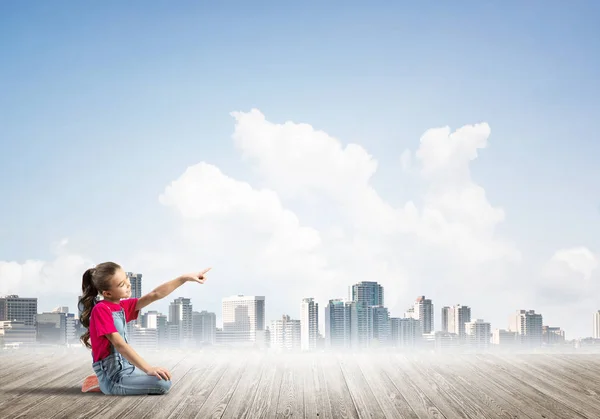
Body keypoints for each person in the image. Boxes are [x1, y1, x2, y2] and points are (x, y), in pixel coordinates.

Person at [78, 261, 211, 395]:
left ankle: (98, 381)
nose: (128, 285)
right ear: (107, 293)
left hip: (127, 368)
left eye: (126, 278)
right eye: (121, 284)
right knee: (162, 384)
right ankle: (104, 383)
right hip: (114, 377)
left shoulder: (121, 307)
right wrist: (148, 369)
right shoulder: (100, 310)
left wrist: (184, 278)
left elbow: (155, 294)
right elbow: (119, 345)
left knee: (162, 376)